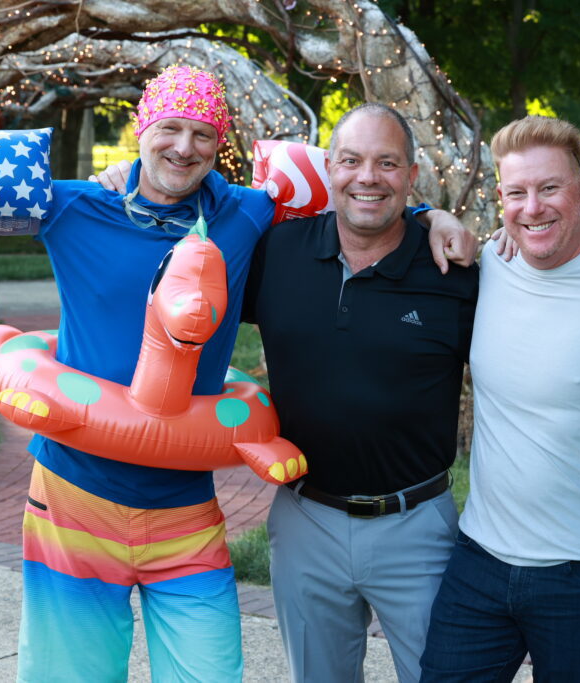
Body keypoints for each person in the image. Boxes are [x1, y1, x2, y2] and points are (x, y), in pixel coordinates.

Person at [0, 56, 473, 681]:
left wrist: (428, 217)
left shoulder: (248, 214)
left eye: (203, 134)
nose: (184, 147)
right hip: (72, 498)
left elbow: (362, 194)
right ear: (141, 128)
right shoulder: (70, 205)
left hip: (184, 507)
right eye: (170, 128)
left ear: (218, 145)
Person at [420, 115, 580, 682]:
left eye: (549, 188)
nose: (532, 208)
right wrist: (433, 214)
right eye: (516, 192)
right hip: (480, 559)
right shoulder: (489, 266)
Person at [240, 103, 478, 683]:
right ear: (329, 168)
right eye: (352, 161)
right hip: (305, 518)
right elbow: (180, 222)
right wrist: (121, 179)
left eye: (387, 163)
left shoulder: (455, 272)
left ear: (411, 176)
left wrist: (435, 218)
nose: (367, 177)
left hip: (416, 524)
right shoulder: (276, 253)